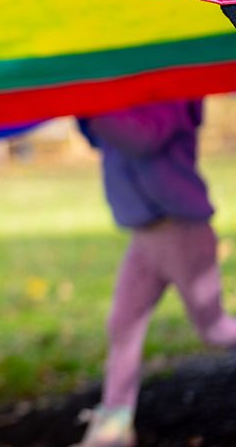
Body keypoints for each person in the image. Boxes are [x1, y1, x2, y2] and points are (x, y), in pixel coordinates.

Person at [75, 99, 236, 447]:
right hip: (144, 237)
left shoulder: (174, 96)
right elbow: (100, 138)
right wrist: (81, 100)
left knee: (215, 329)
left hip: (183, 232)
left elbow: (141, 140)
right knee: (123, 326)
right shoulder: (120, 103)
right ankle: (114, 425)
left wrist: (91, 105)